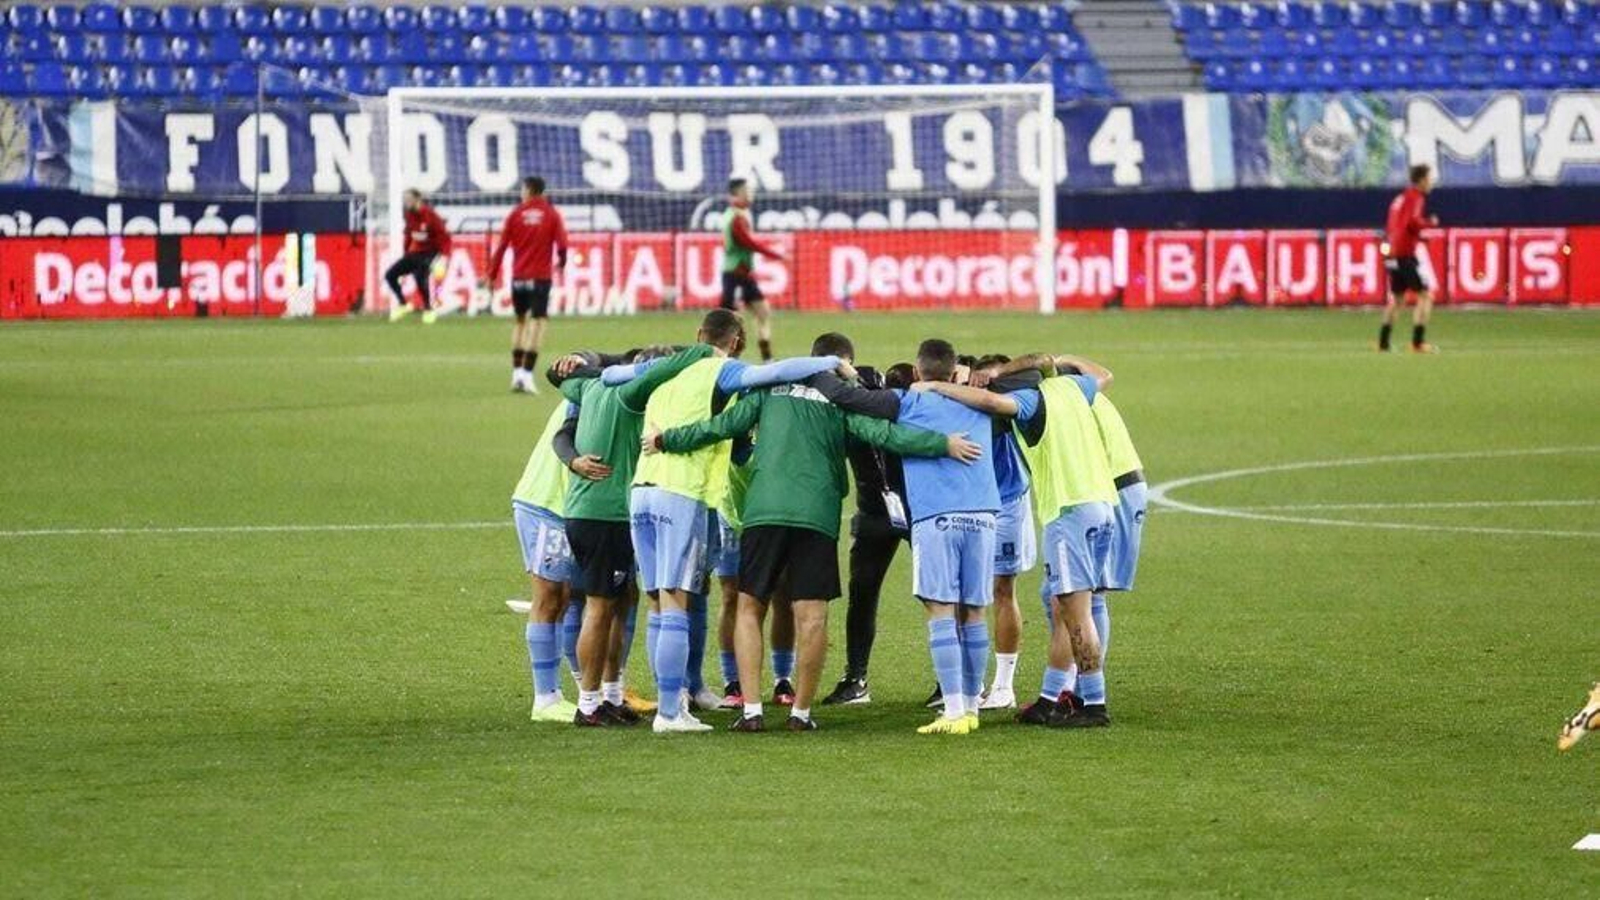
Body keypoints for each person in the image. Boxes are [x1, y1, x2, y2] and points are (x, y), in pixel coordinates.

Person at [645, 332, 981, 731]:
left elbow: (720, 426)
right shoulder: (840, 398)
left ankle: (751, 710)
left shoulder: (767, 390)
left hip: (764, 510)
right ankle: (801, 713)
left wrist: (667, 439)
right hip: (816, 516)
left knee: (751, 607)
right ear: (842, 364)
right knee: (812, 616)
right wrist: (941, 444)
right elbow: (883, 435)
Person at [625, 309, 841, 733]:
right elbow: (776, 372)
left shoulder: (661, 375)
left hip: (642, 488)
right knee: (675, 602)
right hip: (681, 491)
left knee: (657, 602)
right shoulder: (721, 371)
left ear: (696, 333)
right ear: (738, 341)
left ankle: (679, 698)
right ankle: (671, 711)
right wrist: (828, 363)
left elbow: (615, 379)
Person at [923, 352, 1117, 728]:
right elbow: (1104, 374)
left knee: (1076, 613)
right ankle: (1054, 696)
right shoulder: (1074, 388)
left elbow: (992, 402)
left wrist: (935, 385)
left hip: (1069, 509)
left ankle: (1094, 703)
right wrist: (1059, 359)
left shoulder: (1034, 398)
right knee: (1070, 607)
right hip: (1103, 505)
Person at [556, 343, 715, 728]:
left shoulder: (590, 387)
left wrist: (594, 362)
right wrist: (709, 350)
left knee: (619, 602)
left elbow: (558, 376)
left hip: (590, 511)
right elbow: (673, 366)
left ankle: (609, 696)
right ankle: (588, 704)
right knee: (599, 607)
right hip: (604, 515)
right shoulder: (630, 396)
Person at [897, 339, 1002, 736]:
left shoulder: (907, 402)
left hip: (936, 519)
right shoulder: (979, 401)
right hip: (983, 516)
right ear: (954, 368)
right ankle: (972, 708)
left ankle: (954, 711)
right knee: (974, 611)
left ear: (917, 372)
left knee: (940, 610)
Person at [822, 362, 916, 706]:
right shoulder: (851, 418)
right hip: (881, 515)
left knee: (935, 596)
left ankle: (954, 682)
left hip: (898, 513)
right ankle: (855, 677)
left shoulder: (895, 411)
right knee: (863, 593)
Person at [511, 401, 581, 723]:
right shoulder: (589, 394)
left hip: (566, 507)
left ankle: (587, 691)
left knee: (569, 596)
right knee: (550, 597)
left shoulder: (594, 390)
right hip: (545, 505)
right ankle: (545, 698)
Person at [485, 176, 569, 394]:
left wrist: (492, 275)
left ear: (530, 191)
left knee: (520, 322)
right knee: (538, 323)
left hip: (518, 278)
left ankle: (516, 375)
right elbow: (562, 244)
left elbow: (502, 246)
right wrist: (561, 262)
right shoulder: (551, 214)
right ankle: (527, 375)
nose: (521, 193)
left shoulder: (515, 214)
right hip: (540, 277)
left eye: (523, 189)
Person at [721, 178, 784, 361]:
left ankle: (766, 356)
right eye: (747, 191)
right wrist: (775, 255)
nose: (751, 194)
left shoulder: (735, 214)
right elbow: (747, 242)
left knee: (762, 312)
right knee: (729, 320)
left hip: (742, 273)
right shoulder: (736, 217)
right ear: (737, 194)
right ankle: (729, 357)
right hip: (735, 273)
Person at [1380, 164, 1440, 353]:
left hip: (1391, 253)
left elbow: (1394, 224)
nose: (1431, 183)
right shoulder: (1415, 197)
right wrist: (1430, 222)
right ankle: (1418, 342)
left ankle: (1383, 343)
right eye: (1430, 178)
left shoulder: (1400, 198)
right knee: (1426, 295)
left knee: (1397, 299)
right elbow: (1412, 222)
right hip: (1404, 254)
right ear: (1421, 180)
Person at [387, 189, 451, 325]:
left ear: (418, 199)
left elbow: (445, 238)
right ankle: (403, 304)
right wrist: (405, 255)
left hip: (432, 252)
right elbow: (409, 235)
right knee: (390, 275)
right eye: (405, 199)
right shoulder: (409, 214)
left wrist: (445, 257)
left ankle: (429, 309)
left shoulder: (430, 216)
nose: (406, 202)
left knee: (419, 275)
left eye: (409, 199)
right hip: (415, 253)